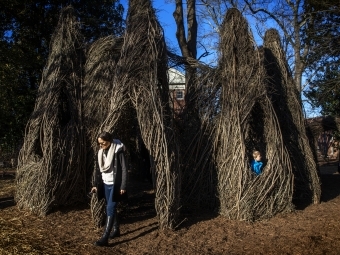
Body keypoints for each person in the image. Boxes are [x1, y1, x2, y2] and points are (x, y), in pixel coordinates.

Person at [91, 131, 127, 247]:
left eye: (103, 143)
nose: (101, 146)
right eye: (99, 144)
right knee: (110, 207)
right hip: (105, 183)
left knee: (110, 208)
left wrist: (123, 186)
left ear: (109, 141)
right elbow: (98, 169)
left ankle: (105, 237)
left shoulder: (118, 150)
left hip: (115, 185)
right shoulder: (101, 152)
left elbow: (124, 169)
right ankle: (116, 230)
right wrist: (96, 184)